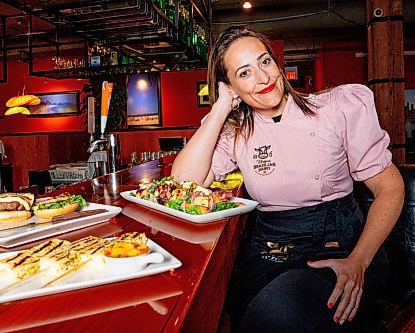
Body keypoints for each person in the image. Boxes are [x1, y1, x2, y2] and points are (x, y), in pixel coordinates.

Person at [171, 26, 405, 332]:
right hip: (270, 250)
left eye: (264, 62)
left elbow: (390, 187)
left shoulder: (336, 108)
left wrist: (359, 261)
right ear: (230, 87)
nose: (262, 77)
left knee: (279, 310)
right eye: (244, 73)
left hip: (344, 244)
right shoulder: (235, 131)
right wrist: (220, 108)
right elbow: (183, 183)